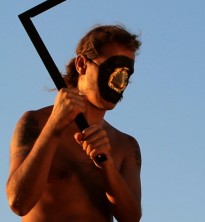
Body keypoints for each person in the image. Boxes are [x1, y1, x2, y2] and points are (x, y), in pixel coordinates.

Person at [6, 25, 142, 222]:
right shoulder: (36, 122)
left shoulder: (126, 146)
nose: (119, 82)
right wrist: (54, 128)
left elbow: (131, 218)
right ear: (82, 64)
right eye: (112, 68)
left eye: (126, 73)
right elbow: (18, 202)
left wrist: (108, 166)